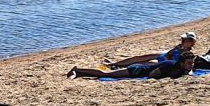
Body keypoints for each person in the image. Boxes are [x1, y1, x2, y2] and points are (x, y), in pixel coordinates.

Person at [68, 51, 196, 80]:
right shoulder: (170, 65)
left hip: (140, 69)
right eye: (189, 63)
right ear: (181, 63)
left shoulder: (179, 68)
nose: (191, 65)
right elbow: (152, 75)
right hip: (136, 70)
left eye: (192, 63)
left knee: (108, 74)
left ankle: (81, 73)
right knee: (106, 74)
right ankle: (78, 70)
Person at [104, 32, 197, 69]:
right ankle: (114, 63)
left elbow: (180, 63)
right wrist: (174, 49)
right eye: (183, 39)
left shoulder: (188, 54)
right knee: (138, 58)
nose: (182, 41)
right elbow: (168, 54)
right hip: (163, 56)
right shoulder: (179, 47)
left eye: (185, 40)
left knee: (145, 63)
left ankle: (119, 67)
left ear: (191, 42)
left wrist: (178, 52)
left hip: (165, 62)